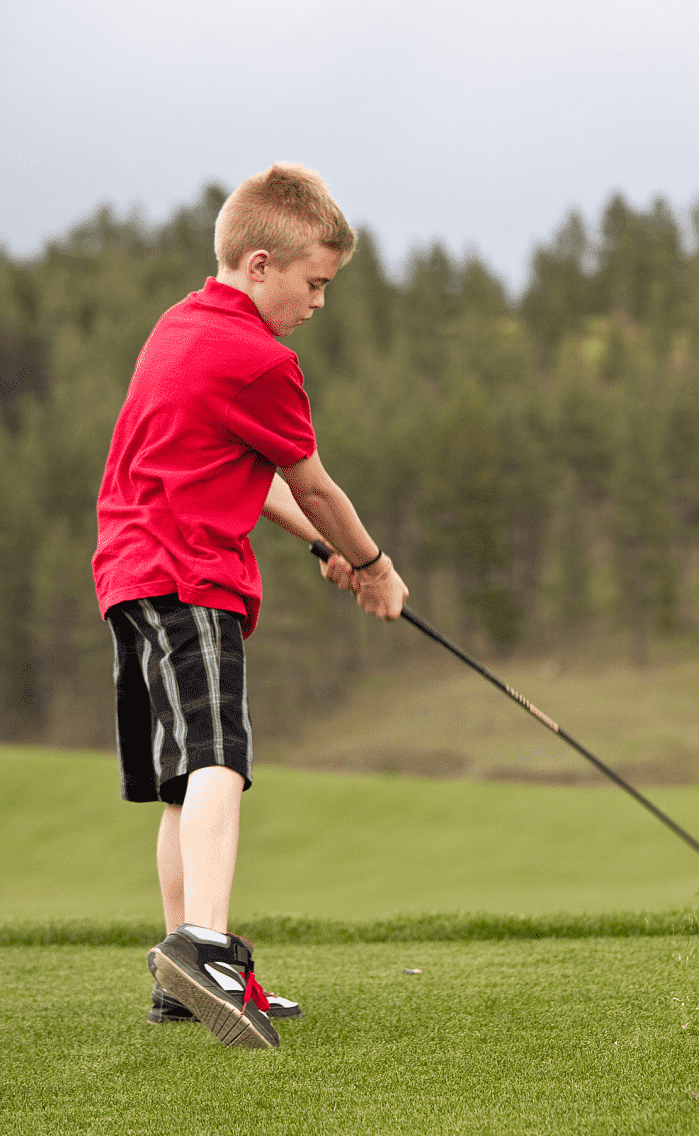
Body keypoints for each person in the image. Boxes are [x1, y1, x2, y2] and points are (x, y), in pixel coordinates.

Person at [92, 162, 408, 1048]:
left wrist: (321, 552)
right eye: (314, 284)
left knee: (180, 780)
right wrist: (372, 564)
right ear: (261, 264)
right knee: (221, 760)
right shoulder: (262, 360)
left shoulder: (180, 326)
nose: (318, 303)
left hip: (130, 574)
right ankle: (206, 953)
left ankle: (176, 976)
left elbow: (242, 471)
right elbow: (314, 485)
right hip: (191, 576)